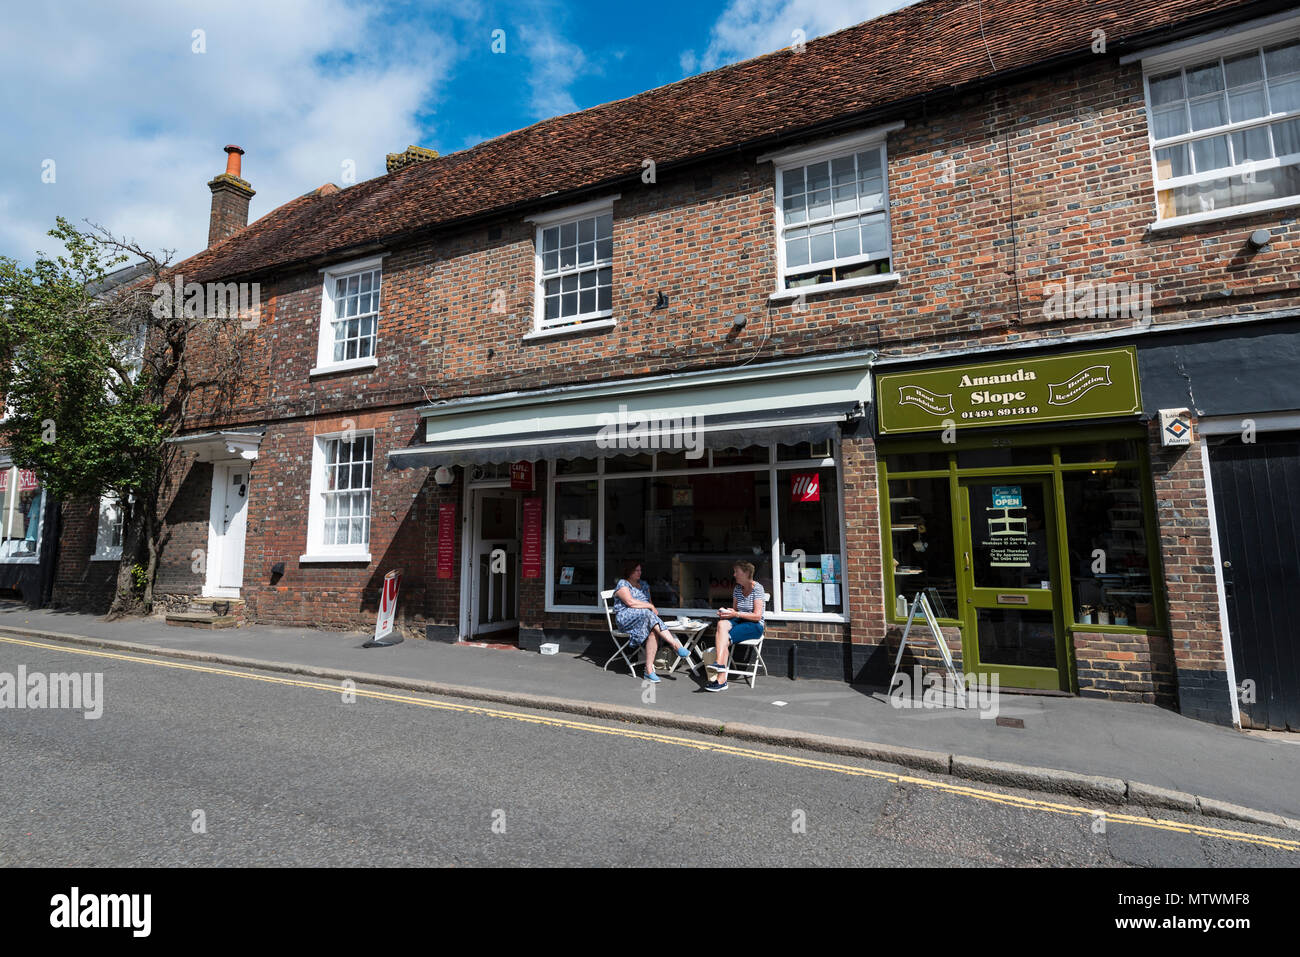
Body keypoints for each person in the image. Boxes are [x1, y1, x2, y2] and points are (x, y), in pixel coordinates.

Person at [613, 560, 690, 683]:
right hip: (625, 619)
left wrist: (650, 606)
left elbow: (650, 603)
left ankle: (649, 671)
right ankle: (675, 645)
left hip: (643, 618)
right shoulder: (623, 584)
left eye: (640, 570)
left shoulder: (644, 585)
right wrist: (650, 606)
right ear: (629, 571)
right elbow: (630, 602)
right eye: (636, 570)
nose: (639, 572)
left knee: (653, 631)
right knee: (648, 613)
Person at [707, 561, 766, 691]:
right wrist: (726, 613)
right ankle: (719, 663)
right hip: (740, 621)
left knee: (724, 640)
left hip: (755, 625)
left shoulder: (758, 588)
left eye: (736, 572)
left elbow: (757, 616)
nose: (734, 575)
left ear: (746, 573)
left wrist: (736, 613)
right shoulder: (737, 589)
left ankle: (721, 680)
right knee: (721, 623)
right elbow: (735, 611)